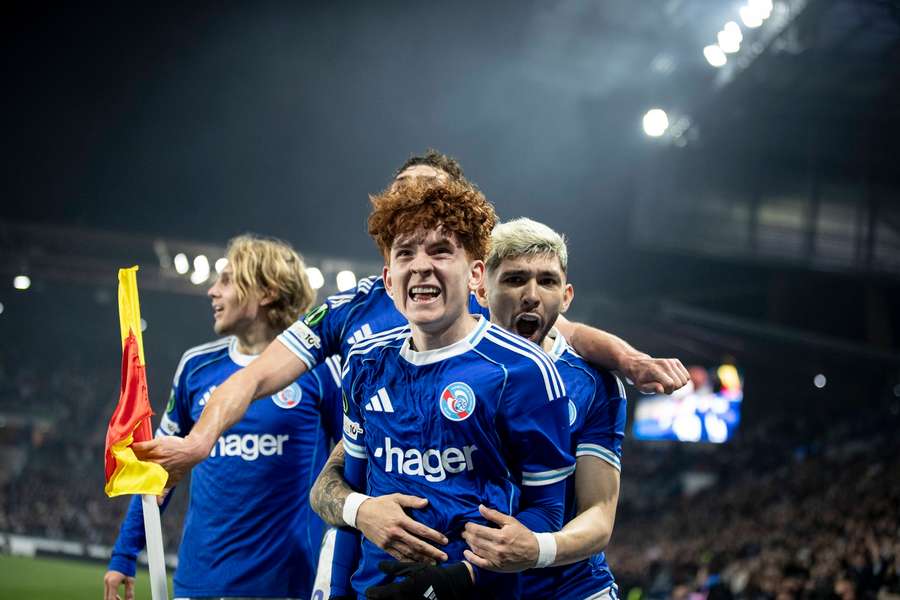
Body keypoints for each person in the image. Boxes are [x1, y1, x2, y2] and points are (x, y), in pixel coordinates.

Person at [133, 150, 688, 499]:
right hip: (363, 521)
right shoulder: (351, 306)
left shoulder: (470, 295)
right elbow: (255, 375)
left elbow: (557, 332)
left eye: (424, 192)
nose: (409, 200)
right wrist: (202, 438)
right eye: (400, 191)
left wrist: (630, 359)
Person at [312, 218, 625, 600]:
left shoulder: (591, 383)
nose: (531, 296)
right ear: (481, 286)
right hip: (452, 580)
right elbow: (333, 484)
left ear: (566, 296)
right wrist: (362, 514)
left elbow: (597, 516)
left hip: (566, 586)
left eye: (547, 282)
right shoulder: (386, 365)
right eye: (513, 280)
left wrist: (528, 553)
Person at [104, 235, 342, 600]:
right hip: (198, 582)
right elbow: (157, 472)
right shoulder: (196, 367)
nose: (213, 291)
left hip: (286, 586)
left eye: (228, 280)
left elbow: (356, 461)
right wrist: (123, 554)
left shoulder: (321, 370)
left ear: (266, 292)